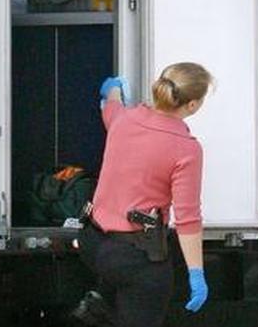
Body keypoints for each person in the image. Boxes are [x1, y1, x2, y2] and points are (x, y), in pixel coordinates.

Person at [73, 62, 210, 327]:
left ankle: (99, 307)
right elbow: (188, 219)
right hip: (134, 258)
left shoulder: (123, 120)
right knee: (150, 286)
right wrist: (196, 273)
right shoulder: (186, 149)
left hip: (92, 242)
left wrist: (112, 89)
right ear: (192, 105)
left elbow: (111, 106)